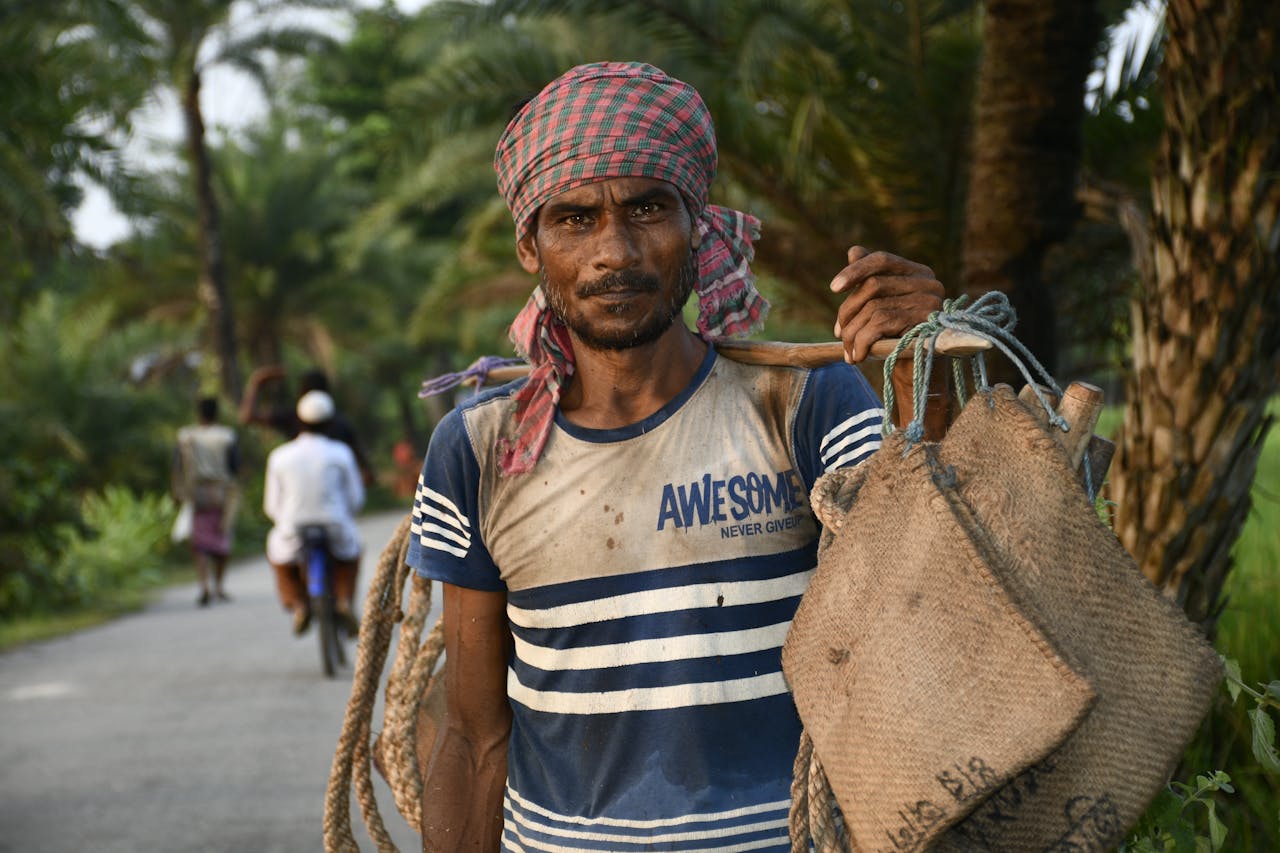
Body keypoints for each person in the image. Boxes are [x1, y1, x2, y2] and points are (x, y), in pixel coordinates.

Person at [407, 62, 944, 852]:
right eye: (575, 219)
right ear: (531, 246)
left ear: (700, 224)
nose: (615, 253)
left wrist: (924, 374)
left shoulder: (803, 403)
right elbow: (474, 735)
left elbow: (931, 590)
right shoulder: (482, 449)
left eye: (649, 209)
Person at [263, 390, 365, 636]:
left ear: (299, 421)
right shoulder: (341, 453)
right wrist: (344, 514)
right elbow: (356, 498)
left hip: (293, 526)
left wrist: (286, 520)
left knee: (278, 554)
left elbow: (271, 505)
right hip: (334, 523)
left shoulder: (280, 456)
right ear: (330, 422)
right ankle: (343, 601)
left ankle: (298, 603)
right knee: (351, 554)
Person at [239, 364, 374, 484]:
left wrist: (256, 382)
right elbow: (365, 472)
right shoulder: (341, 425)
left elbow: (248, 417)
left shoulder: (290, 420)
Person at [172, 397, 240, 606]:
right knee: (222, 539)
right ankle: (218, 586)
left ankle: (204, 586)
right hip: (221, 493)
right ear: (216, 413)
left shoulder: (186, 436)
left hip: (197, 493)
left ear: (198, 413)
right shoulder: (226, 436)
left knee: (200, 544)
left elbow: (177, 465)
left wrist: (177, 491)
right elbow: (234, 466)